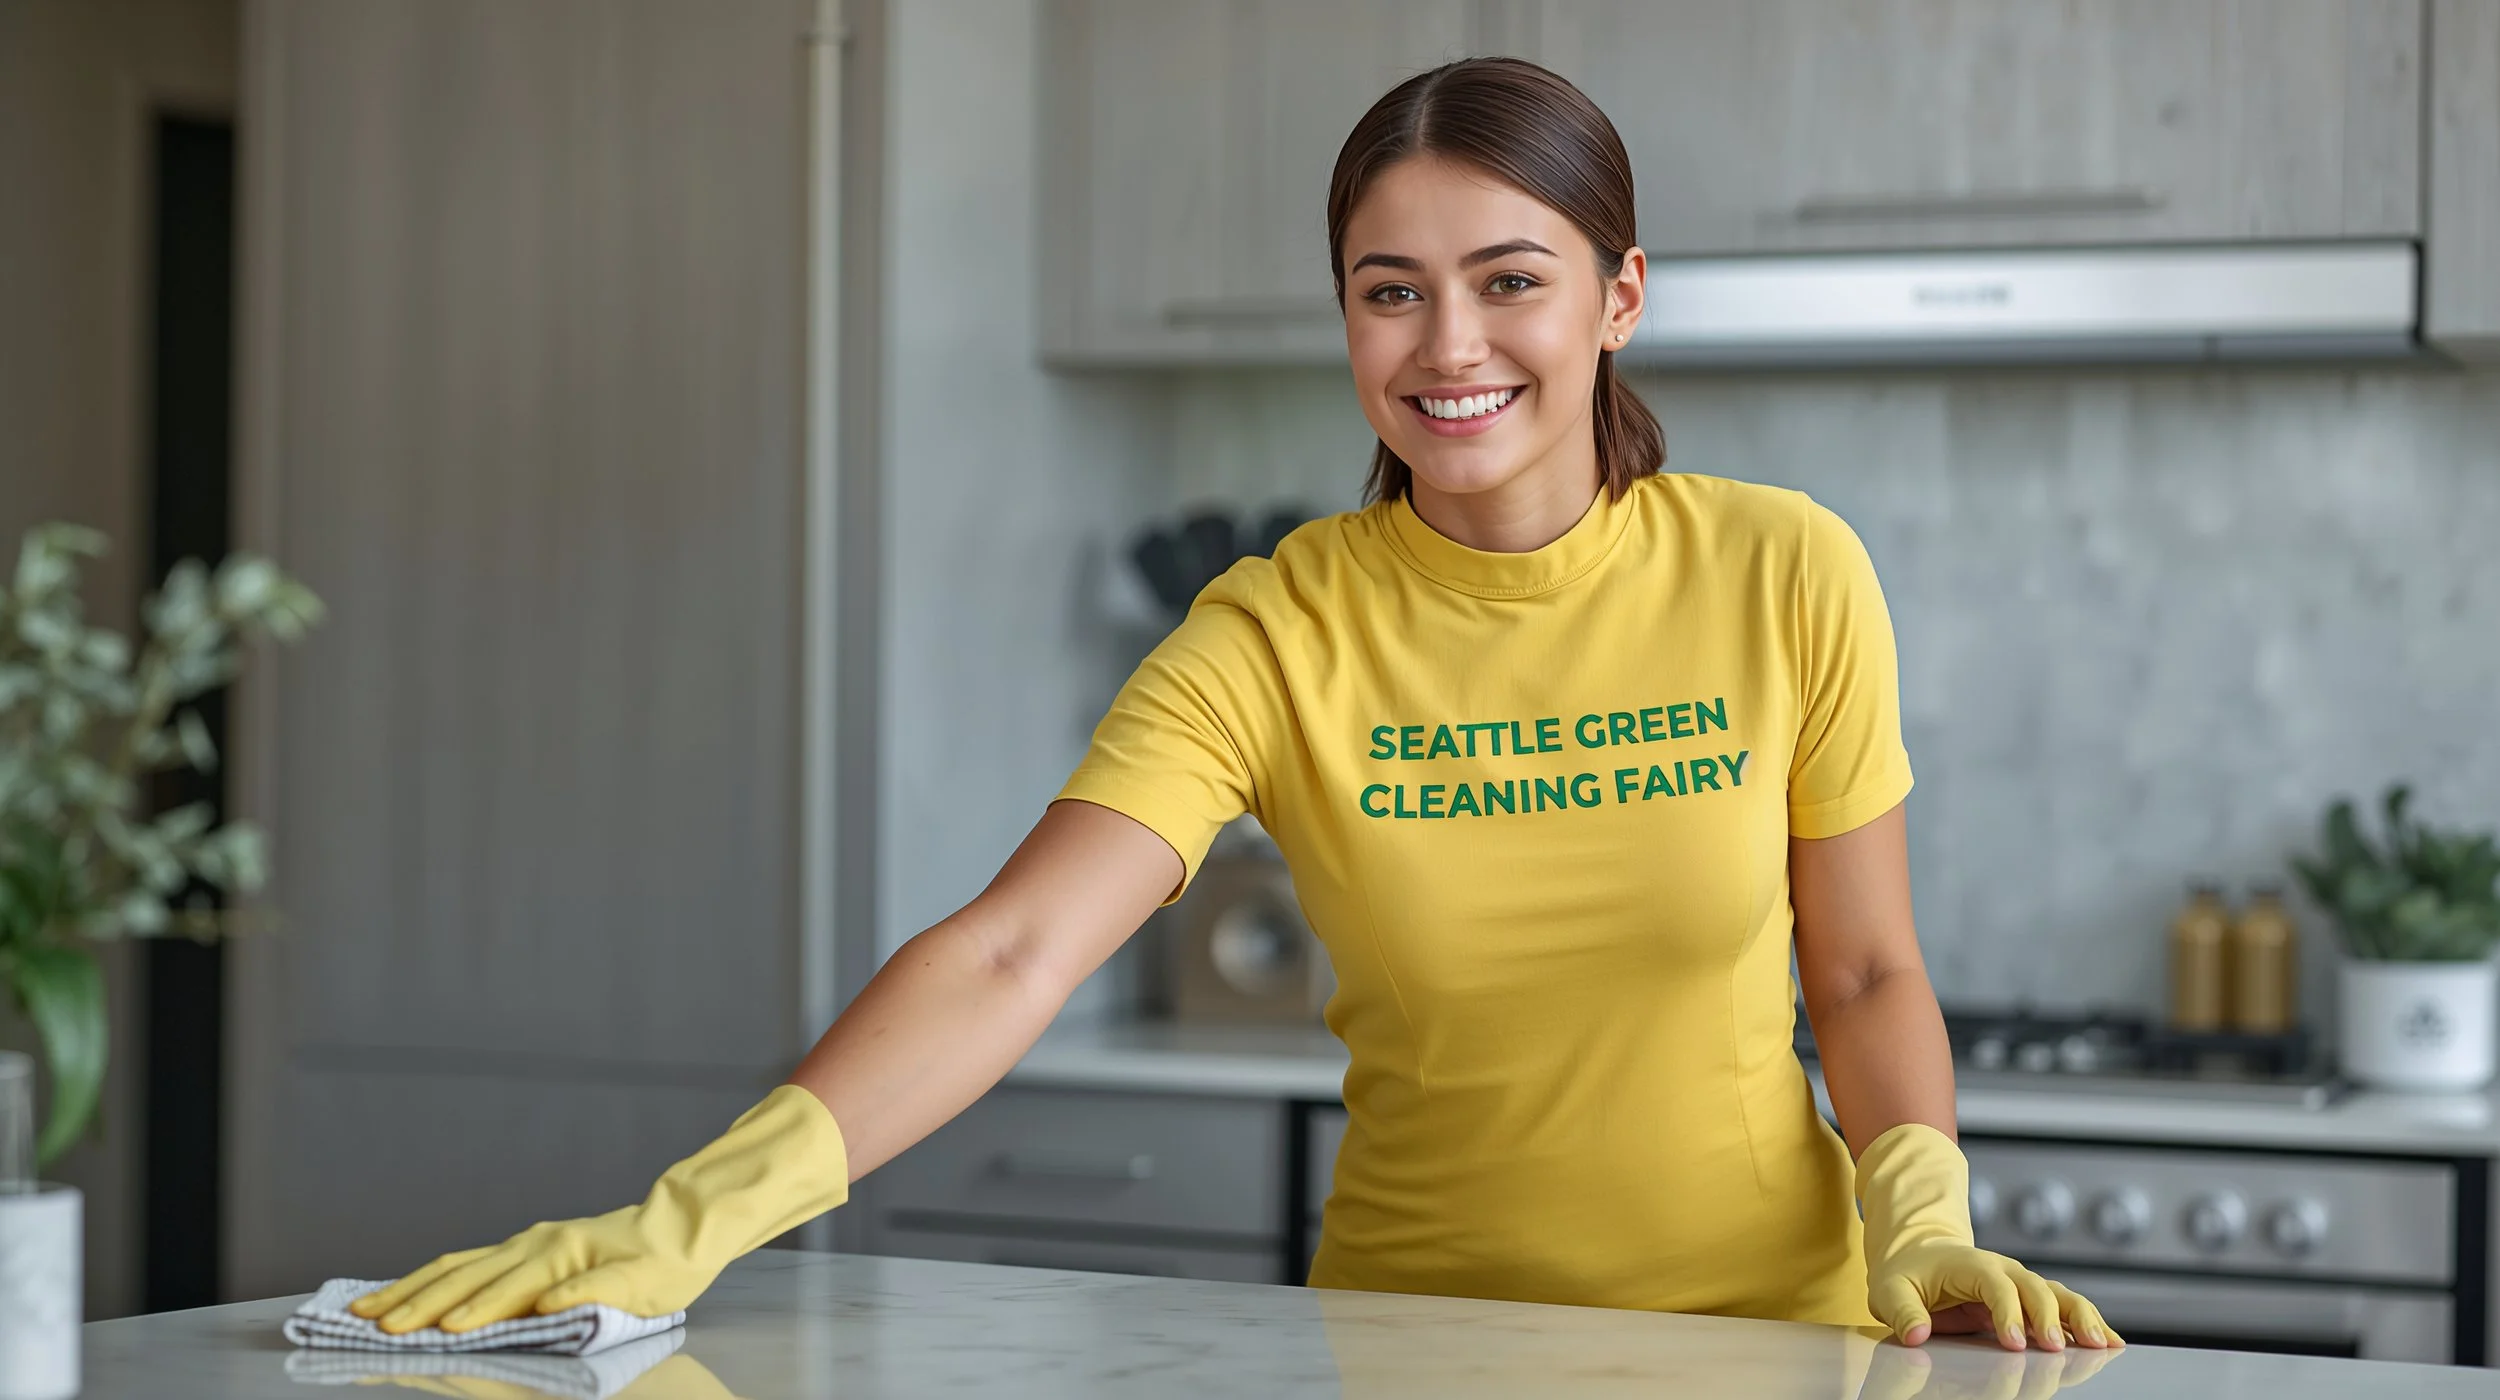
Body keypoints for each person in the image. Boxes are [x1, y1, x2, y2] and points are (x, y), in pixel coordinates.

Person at [353, 57, 2117, 1353]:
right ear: (1345, 322)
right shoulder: (1278, 630)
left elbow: (1867, 970)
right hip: (1411, 1347)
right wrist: (686, 1224)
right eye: (1390, 292)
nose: (1451, 347)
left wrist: (1923, 1222)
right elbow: (1010, 956)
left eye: (1511, 280)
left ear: (1617, 299)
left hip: (1774, 1344)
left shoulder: (1781, 570)